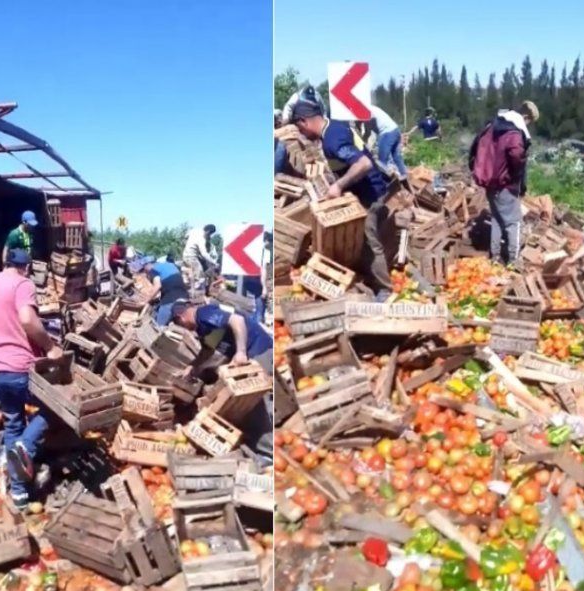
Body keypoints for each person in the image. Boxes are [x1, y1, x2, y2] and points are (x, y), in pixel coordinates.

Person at [0, 249, 62, 511]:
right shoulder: (23, 284)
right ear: (26, 268)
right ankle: (26, 445)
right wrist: (50, 346)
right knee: (57, 409)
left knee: (12, 424)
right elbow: (28, 319)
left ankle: (19, 494)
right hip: (21, 368)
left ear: (4, 263)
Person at [293, 100, 394, 299]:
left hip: (370, 194)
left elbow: (364, 164)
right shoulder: (334, 127)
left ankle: (385, 290)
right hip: (364, 192)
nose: (300, 133)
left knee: (368, 239)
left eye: (299, 128)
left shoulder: (332, 140)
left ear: (304, 121)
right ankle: (368, 280)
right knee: (360, 240)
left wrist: (339, 186)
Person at [171, 301, 274, 457]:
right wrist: (193, 367)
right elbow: (208, 350)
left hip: (258, 351)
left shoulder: (203, 314)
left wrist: (240, 352)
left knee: (254, 403)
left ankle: (269, 450)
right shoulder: (204, 326)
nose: (184, 328)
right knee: (247, 404)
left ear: (181, 317)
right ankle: (259, 443)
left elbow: (236, 320)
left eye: (180, 324)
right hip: (255, 353)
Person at [469, 101, 539, 266]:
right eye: (529, 122)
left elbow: (474, 147)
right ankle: (514, 261)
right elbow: (516, 156)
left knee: (497, 218)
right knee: (514, 222)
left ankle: (495, 256)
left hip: (489, 181)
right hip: (504, 183)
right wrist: (517, 176)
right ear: (526, 117)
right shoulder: (513, 133)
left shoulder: (491, 126)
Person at [137, 258, 189, 326]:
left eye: (144, 269)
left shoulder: (154, 270)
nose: (145, 272)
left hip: (171, 299)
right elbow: (170, 283)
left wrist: (146, 301)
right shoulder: (170, 265)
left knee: (158, 327)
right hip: (184, 296)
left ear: (147, 265)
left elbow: (157, 286)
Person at [367, 104, 408, 180]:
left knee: (382, 160)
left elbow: (371, 121)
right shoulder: (373, 108)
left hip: (387, 133)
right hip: (395, 130)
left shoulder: (365, 109)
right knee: (396, 156)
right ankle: (404, 174)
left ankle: (383, 181)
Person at [182, 224, 218, 292]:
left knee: (191, 273)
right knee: (200, 276)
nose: (209, 236)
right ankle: (194, 290)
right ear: (208, 232)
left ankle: (186, 280)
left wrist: (188, 244)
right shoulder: (201, 239)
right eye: (210, 234)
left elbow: (185, 237)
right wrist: (214, 262)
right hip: (191, 257)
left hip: (185, 255)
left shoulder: (194, 230)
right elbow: (204, 254)